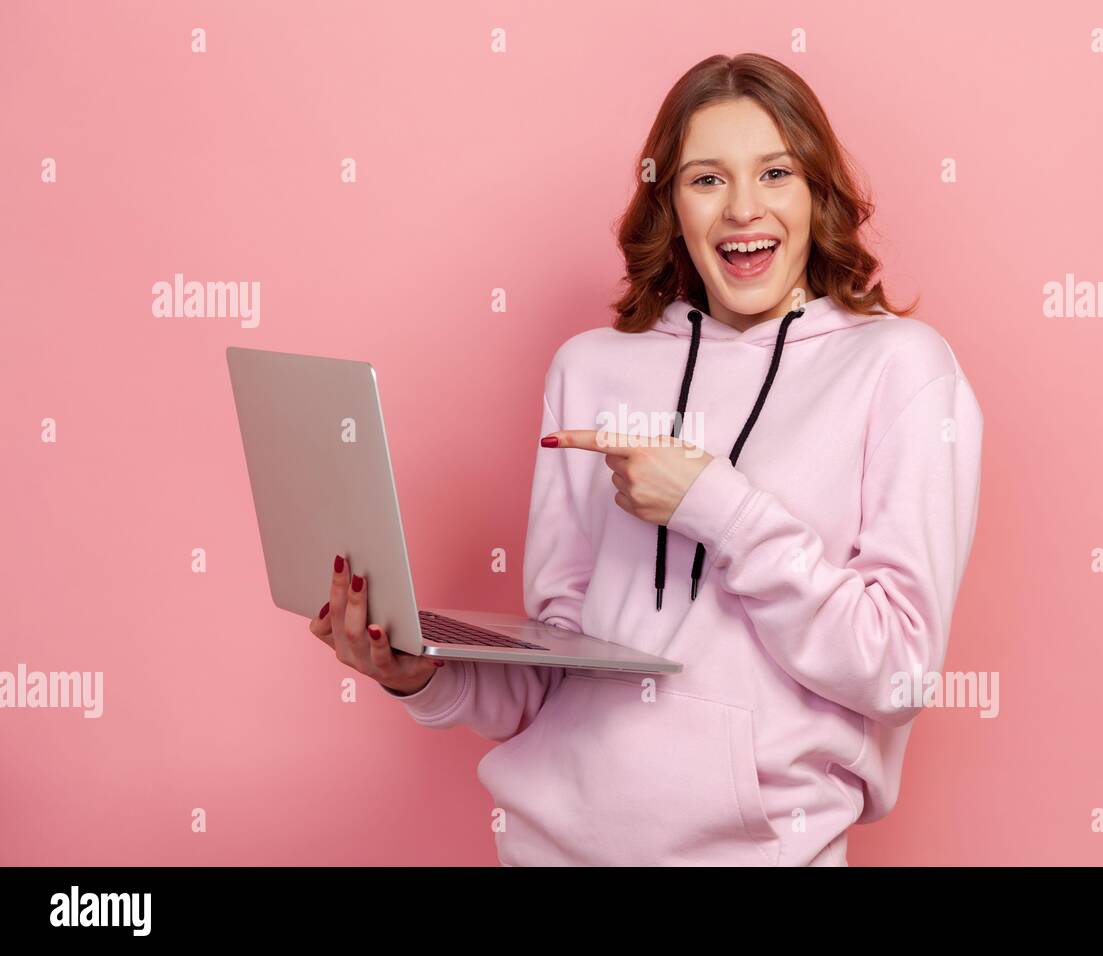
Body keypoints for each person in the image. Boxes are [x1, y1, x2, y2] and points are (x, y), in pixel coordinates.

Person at [307, 52, 983, 866]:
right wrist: (418, 672)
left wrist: (714, 503)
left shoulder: (901, 368)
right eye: (706, 179)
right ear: (670, 202)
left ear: (817, 193)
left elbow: (899, 670)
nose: (742, 209)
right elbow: (557, 667)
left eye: (775, 173)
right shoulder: (590, 368)